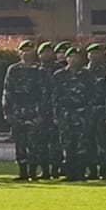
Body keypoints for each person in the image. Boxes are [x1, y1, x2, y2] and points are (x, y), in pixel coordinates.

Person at [51, 44, 101, 182]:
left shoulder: (87, 75)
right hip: (65, 114)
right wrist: (57, 115)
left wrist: (89, 115)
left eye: (76, 57)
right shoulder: (59, 75)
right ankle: (69, 173)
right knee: (67, 145)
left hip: (82, 113)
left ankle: (80, 173)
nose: (73, 59)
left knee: (82, 145)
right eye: (70, 56)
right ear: (66, 59)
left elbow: (93, 96)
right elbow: (55, 97)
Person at [2, 40, 45, 182]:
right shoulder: (13, 70)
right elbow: (7, 92)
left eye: (29, 50)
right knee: (20, 144)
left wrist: (42, 114)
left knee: (34, 144)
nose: (26, 53)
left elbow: (46, 94)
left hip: (34, 111)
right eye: (23, 50)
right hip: (17, 112)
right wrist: (7, 112)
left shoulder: (40, 71)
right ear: (19, 52)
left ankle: (33, 172)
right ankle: (23, 172)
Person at [34, 41, 61, 179]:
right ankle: (44, 170)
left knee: (56, 143)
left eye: (49, 52)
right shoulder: (35, 71)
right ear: (39, 55)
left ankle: (56, 169)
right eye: (43, 52)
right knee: (41, 143)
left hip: (57, 112)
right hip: (39, 113)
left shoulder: (60, 70)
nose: (47, 55)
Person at [89, 43, 106, 179]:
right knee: (89, 142)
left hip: (103, 110)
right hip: (86, 111)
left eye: (98, 53)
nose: (95, 56)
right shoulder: (83, 72)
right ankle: (92, 170)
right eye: (92, 53)